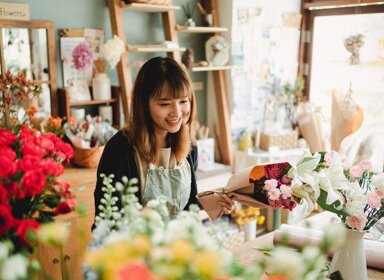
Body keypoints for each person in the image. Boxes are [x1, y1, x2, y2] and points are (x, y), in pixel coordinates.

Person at [94, 57, 234, 221]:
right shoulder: (119, 150)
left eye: (183, 101)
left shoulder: (189, 146)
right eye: (165, 104)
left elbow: (184, 208)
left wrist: (205, 203)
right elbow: (105, 222)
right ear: (144, 104)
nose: (177, 112)